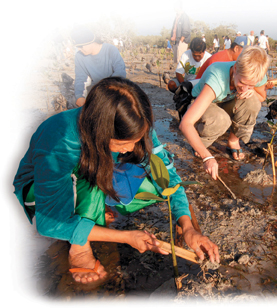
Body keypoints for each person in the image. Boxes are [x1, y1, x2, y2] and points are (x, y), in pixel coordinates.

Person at [13, 77, 220, 284]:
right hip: (41, 189)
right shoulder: (60, 139)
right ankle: (79, 245)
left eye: (136, 140)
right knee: (91, 177)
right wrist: (127, 237)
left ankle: (94, 208)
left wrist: (187, 226)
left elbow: (168, 177)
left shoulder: (137, 122)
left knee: (159, 187)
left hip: (102, 169)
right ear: (101, 131)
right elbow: (49, 223)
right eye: (124, 142)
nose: (131, 148)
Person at [179, 46, 269, 175]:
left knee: (253, 101)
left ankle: (233, 140)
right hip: (204, 104)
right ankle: (202, 143)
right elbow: (185, 123)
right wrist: (207, 157)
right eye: (242, 83)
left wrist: (251, 91)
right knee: (221, 120)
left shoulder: (257, 73)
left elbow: (261, 97)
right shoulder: (217, 77)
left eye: (251, 85)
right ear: (236, 69)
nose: (245, 89)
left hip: (226, 102)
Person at [71, 26, 126, 107]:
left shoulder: (111, 50)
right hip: (95, 90)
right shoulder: (79, 56)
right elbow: (80, 78)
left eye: (80, 46)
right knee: (75, 102)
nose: (79, 49)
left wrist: (105, 89)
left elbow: (120, 73)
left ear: (90, 42)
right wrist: (79, 96)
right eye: (77, 47)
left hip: (113, 88)